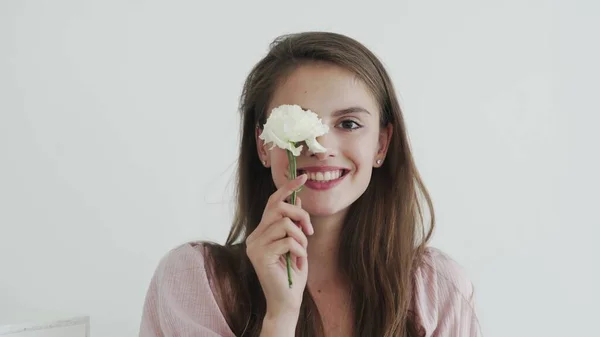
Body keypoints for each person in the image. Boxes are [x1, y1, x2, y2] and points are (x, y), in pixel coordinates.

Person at [139, 31, 480, 337]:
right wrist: (281, 317)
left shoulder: (437, 288)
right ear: (263, 144)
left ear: (381, 144)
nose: (321, 148)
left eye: (348, 124)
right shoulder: (193, 282)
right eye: (299, 125)